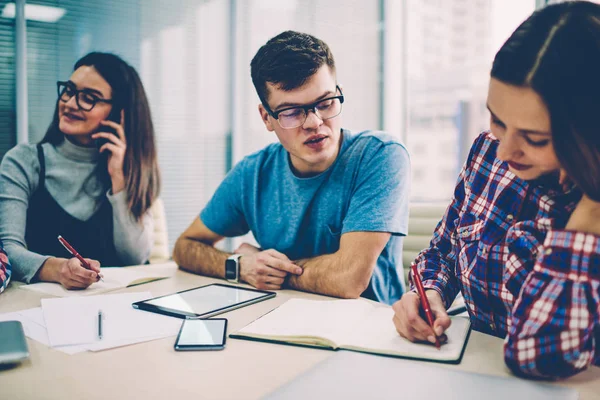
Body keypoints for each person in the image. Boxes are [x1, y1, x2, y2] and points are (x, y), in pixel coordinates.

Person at [392, 1, 600, 379]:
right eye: (497, 119)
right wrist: (428, 295)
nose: (504, 150)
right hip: (471, 376)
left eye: (534, 139)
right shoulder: (487, 152)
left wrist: (589, 216)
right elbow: (444, 249)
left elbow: (539, 357)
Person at [173, 31, 410, 305]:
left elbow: (349, 279)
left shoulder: (379, 155)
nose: (313, 122)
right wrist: (240, 266)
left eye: (325, 103)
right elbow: (185, 247)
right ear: (267, 117)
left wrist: (268, 269)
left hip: (365, 331)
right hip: (275, 323)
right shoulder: (252, 173)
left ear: (339, 94)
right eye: (291, 112)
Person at [0, 52, 160, 289]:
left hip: (116, 307)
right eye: (70, 90)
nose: (70, 103)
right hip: (41, 308)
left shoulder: (130, 170)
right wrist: (59, 269)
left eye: (89, 98)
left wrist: (119, 178)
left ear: (117, 113)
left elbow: (134, 258)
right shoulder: (24, 161)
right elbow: (8, 253)